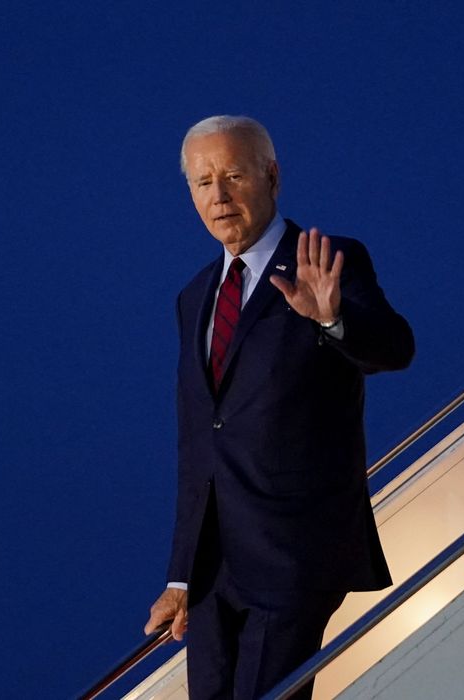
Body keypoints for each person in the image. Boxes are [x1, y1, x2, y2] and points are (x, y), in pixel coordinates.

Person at [144, 115, 414, 699]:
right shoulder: (193, 297)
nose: (219, 196)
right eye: (203, 182)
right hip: (214, 571)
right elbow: (200, 442)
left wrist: (332, 319)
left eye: (234, 175)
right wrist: (180, 575)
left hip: (294, 552)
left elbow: (395, 349)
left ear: (271, 176)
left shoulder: (328, 258)